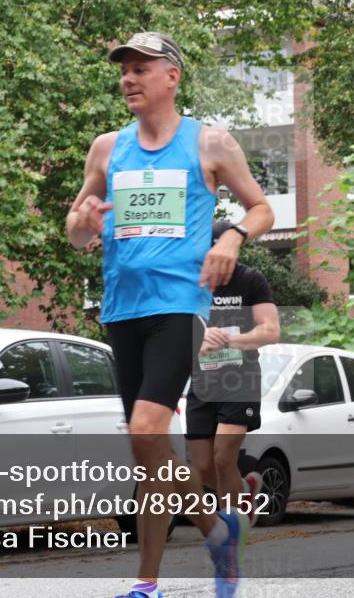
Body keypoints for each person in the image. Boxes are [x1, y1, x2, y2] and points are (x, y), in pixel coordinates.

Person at [66, 31, 274, 598]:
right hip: (121, 310)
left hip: (180, 307)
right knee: (147, 452)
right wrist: (82, 222)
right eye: (124, 70)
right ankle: (160, 573)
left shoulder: (209, 143)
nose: (128, 78)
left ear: (171, 77)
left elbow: (262, 208)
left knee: (144, 431)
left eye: (140, 69)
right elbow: (76, 226)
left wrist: (231, 237)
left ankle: (214, 530)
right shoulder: (107, 148)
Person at [186, 221, 281, 525]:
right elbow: (174, 333)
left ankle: (231, 525)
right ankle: (243, 490)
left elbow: (271, 330)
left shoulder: (251, 280)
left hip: (240, 379)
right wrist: (197, 341)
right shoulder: (192, 282)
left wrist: (231, 339)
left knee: (223, 457)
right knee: (201, 467)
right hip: (202, 380)